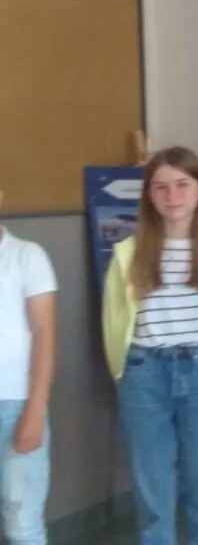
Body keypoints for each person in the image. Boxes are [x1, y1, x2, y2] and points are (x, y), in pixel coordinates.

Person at [101, 147, 198, 545]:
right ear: (149, 195)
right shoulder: (128, 255)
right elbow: (113, 322)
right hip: (145, 377)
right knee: (153, 500)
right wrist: (125, 373)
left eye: (182, 185)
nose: (172, 196)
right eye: (161, 187)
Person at [0, 186, 58, 545]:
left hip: (16, 405)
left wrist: (35, 410)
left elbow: (44, 335)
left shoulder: (26, 256)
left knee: (22, 525)